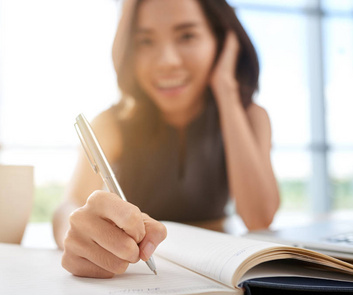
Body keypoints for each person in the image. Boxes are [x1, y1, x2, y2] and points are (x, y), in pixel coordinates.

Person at [53, 0, 280, 279]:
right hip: (139, 276)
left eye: (187, 36)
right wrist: (76, 231)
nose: (167, 62)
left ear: (221, 42)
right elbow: (69, 206)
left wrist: (227, 91)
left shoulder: (250, 117)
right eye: (145, 41)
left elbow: (260, 219)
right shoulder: (111, 123)